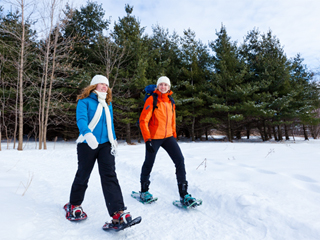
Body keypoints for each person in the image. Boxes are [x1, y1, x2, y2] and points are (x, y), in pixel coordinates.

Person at [64, 75, 138, 229]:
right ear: (93, 86)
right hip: (87, 144)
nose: (105, 87)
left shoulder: (107, 104)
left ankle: (118, 213)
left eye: (106, 85)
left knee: (110, 176)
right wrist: (87, 134)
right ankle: (74, 205)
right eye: (101, 84)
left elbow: (109, 124)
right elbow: (81, 120)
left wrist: (114, 140)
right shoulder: (84, 102)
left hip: (105, 145)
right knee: (83, 174)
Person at [139, 76, 197, 207]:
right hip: (154, 137)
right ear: (157, 86)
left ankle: (184, 194)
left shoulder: (171, 101)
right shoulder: (152, 99)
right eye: (161, 85)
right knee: (149, 162)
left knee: (180, 161)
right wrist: (147, 139)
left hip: (168, 137)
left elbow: (172, 119)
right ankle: (144, 191)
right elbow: (143, 120)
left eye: (166, 85)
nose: (163, 87)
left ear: (169, 87)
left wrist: (174, 134)